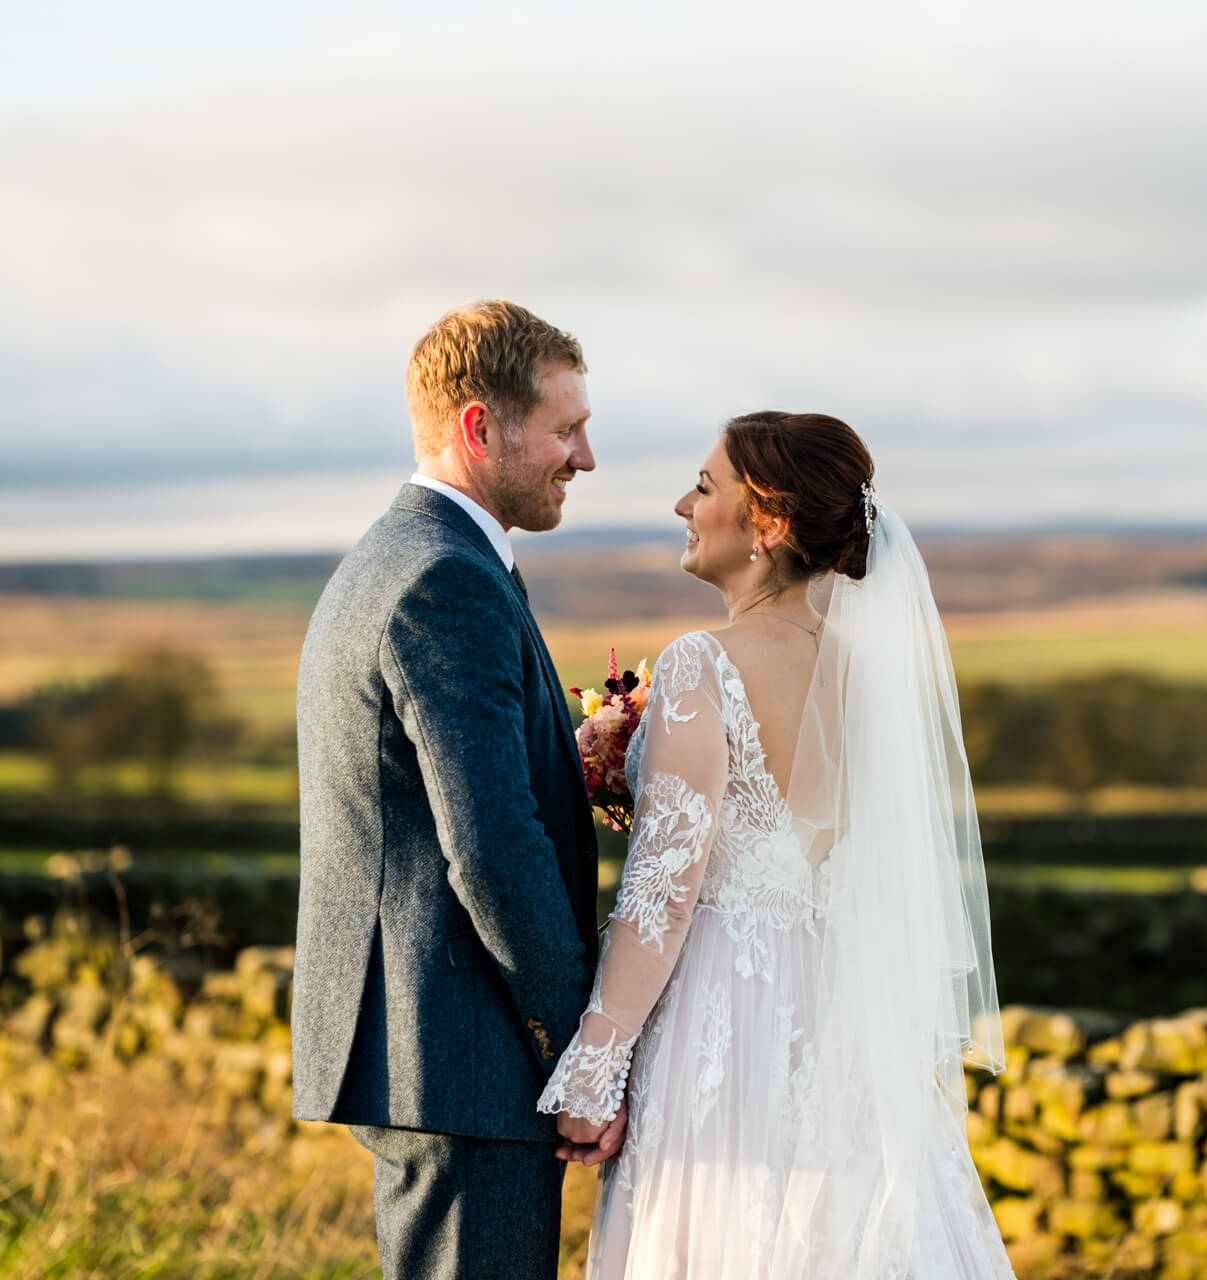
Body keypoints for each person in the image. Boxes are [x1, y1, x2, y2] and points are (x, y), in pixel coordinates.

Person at [539, 411, 1015, 1278]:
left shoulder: (699, 664)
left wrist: (594, 1064)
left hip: (722, 1015)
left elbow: (662, 893)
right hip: (837, 1011)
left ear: (770, 522)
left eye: (706, 486)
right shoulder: (866, 677)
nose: (684, 504)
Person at [293, 300, 622, 1280]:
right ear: (482, 427)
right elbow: (490, 841)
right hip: (467, 1049)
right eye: (566, 429)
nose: (586, 458)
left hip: (433, 1042)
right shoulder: (448, 576)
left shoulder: (407, 553)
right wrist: (578, 1048)